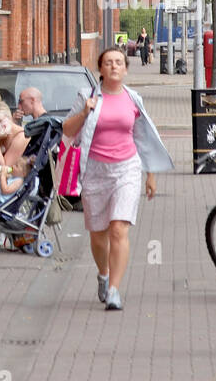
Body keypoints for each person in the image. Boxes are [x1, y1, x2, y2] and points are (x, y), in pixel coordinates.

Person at [62, 46, 173, 312]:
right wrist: (84, 112)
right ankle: (103, 274)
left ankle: (114, 290)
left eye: (118, 62)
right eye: (108, 62)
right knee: (98, 234)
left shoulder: (133, 99)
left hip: (127, 168)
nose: (113, 66)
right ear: (100, 69)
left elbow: (144, 139)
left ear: (125, 69)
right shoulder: (86, 97)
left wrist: (151, 176)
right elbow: (66, 131)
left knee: (118, 229)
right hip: (95, 170)